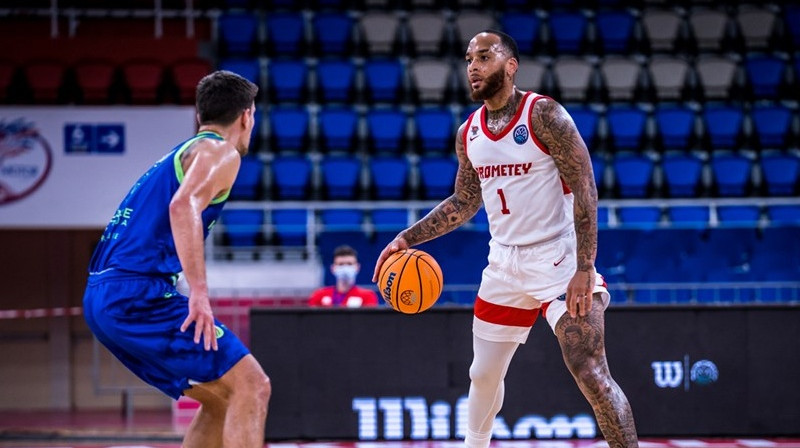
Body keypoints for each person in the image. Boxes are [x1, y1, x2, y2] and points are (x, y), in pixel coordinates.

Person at [373, 30, 639, 448]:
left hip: (559, 258)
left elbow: (585, 187)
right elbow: (463, 201)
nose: (473, 67)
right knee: (482, 375)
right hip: (503, 265)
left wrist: (585, 268)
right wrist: (408, 238)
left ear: (510, 66)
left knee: (590, 371)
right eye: (468, 59)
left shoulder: (543, 115)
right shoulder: (469, 133)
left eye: (483, 56)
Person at [83, 70, 270, 448]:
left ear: (199, 115)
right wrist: (198, 292)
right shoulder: (221, 151)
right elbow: (182, 205)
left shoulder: (180, 154)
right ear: (247, 116)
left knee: (221, 398)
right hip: (136, 293)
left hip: (109, 293)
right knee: (253, 384)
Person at [309, 245, 379, 307]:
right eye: (341, 264)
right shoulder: (319, 295)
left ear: (357, 267)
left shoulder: (368, 296)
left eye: (349, 264)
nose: (345, 268)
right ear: (333, 268)